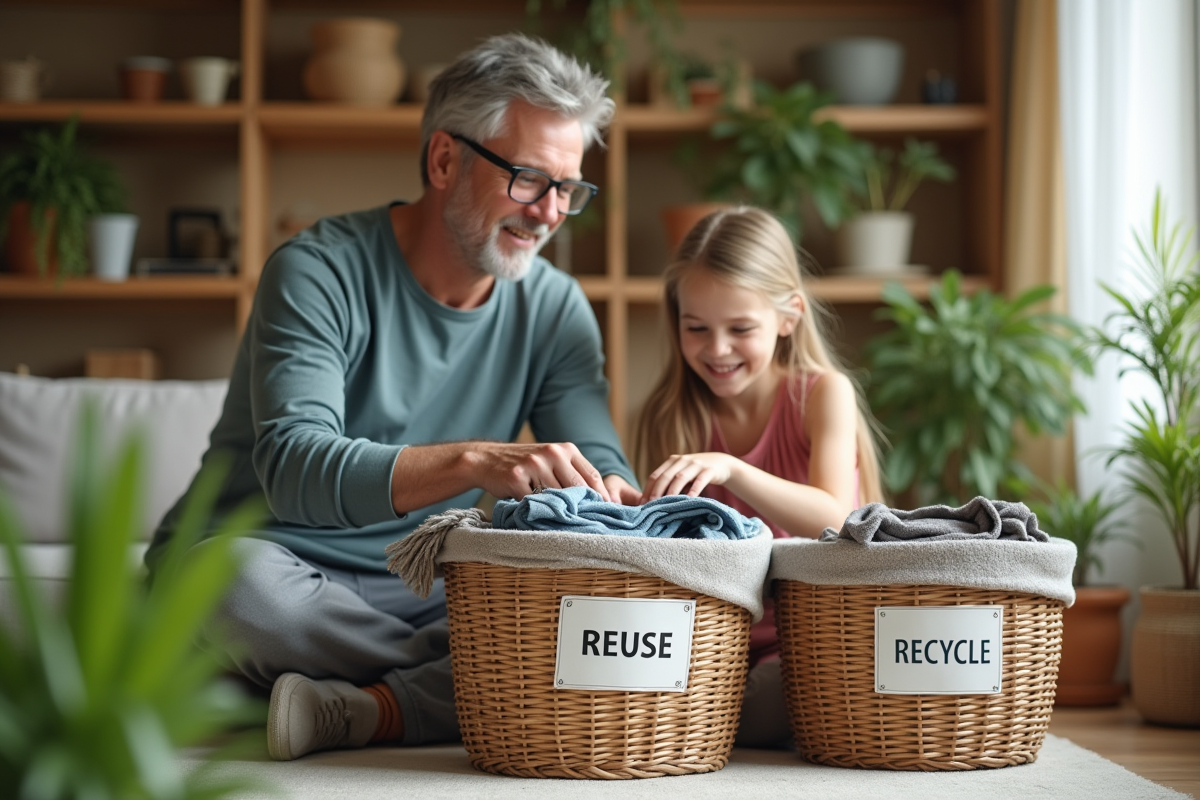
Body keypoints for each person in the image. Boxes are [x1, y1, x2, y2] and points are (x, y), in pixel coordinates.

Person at [145, 32, 640, 762]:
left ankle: (364, 707)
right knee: (232, 590)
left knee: (578, 608)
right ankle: (470, 683)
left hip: (428, 580)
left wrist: (621, 499)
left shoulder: (558, 308)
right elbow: (294, 466)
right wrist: (474, 462)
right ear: (444, 159)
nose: (548, 214)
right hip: (274, 560)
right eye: (530, 178)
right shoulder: (318, 273)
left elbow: (596, 455)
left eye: (568, 189)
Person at [634, 205, 883, 747]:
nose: (716, 349)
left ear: (788, 317)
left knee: (761, 710)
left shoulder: (821, 394)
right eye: (696, 327)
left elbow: (838, 516)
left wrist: (732, 469)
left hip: (810, 637)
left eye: (740, 328)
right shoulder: (669, 413)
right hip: (711, 637)